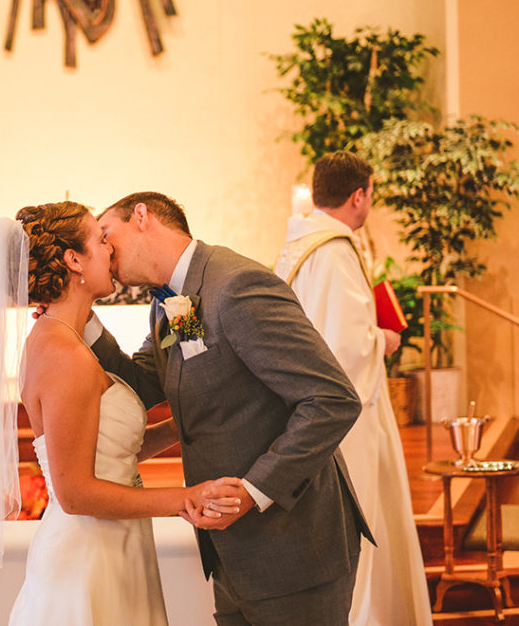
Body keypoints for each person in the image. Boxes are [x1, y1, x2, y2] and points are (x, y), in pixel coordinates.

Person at [0, 201, 243, 626]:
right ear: (73, 260)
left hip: (114, 545)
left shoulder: (86, 333)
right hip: (87, 552)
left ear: (144, 220)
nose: (110, 251)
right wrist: (183, 497)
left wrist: (181, 426)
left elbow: (110, 451)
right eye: (100, 240)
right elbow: (76, 492)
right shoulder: (65, 354)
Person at [88, 192, 372, 626]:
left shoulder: (236, 285)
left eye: (107, 235)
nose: (105, 253)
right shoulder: (173, 299)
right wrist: (81, 323)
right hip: (233, 550)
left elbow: (331, 399)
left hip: (293, 548)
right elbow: (145, 384)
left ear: (142, 217)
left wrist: (254, 491)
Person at [273, 151, 432, 626]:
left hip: (302, 409)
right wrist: (382, 338)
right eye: (370, 194)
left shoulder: (297, 246)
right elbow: (344, 347)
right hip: (347, 417)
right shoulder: (335, 250)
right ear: (359, 194)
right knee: (364, 521)